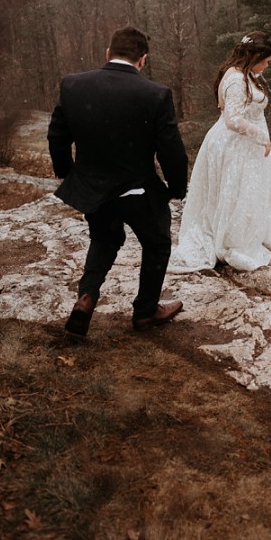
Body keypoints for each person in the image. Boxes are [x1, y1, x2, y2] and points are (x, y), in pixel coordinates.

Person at [47, 26, 188, 337]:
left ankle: (87, 297)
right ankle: (145, 312)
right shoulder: (156, 94)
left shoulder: (73, 85)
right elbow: (171, 150)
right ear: (143, 60)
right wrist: (177, 189)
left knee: (104, 240)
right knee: (157, 243)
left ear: (108, 53)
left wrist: (70, 175)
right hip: (138, 190)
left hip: (94, 190)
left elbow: (57, 136)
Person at [169, 31, 271, 273]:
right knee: (236, 192)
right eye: (266, 61)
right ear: (254, 56)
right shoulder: (236, 80)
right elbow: (232, 119)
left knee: (245, 191)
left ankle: (250, 231)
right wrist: (261, 135)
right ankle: (233, 241)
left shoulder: (242, 74)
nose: (267, 66)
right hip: (236, 145)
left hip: (245, 145)